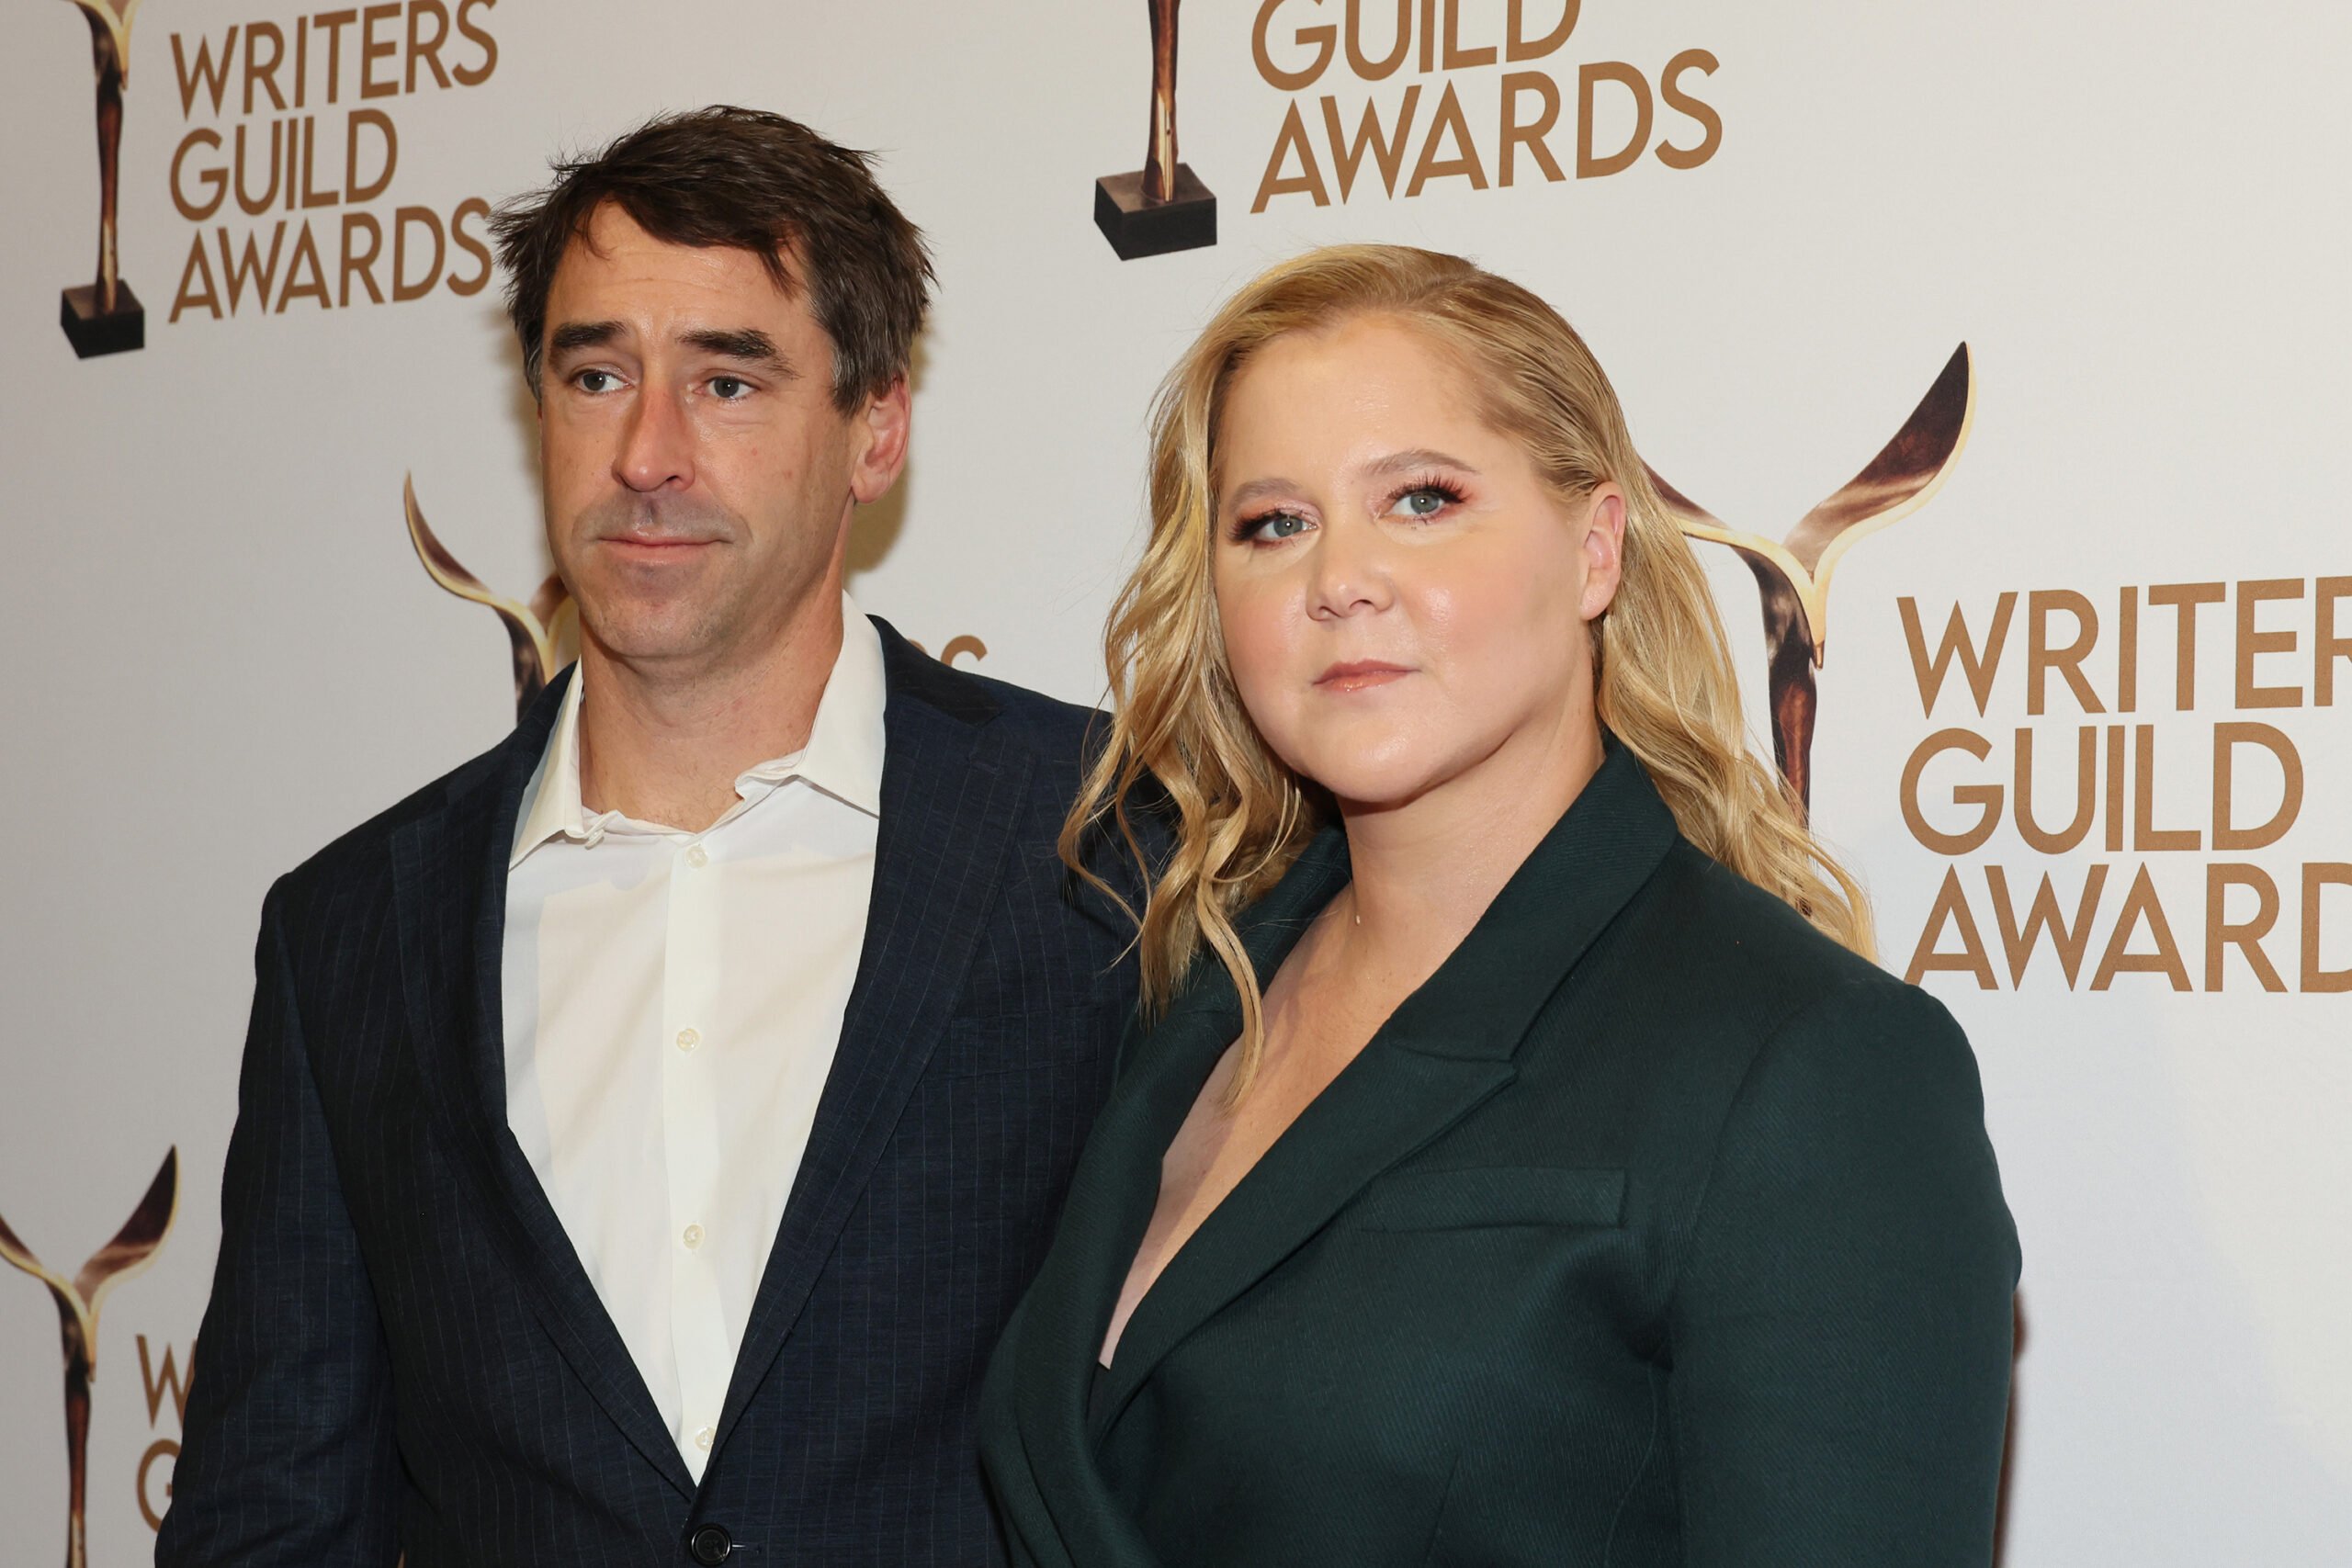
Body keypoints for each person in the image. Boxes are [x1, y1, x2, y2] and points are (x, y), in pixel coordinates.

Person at [159, 107, 1146, 1568]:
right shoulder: (353, 928)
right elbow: (274, 1507)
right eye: (597, 372)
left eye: (728, 381)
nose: (646, 454)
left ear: (875, 428)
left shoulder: (1107, 842)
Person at [978, 244, 2020, 1566]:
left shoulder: (1807, 1068)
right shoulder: (1190, 995)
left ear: (1595, 551)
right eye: (1272, 523)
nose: (1337, 579)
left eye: (1421, 499)